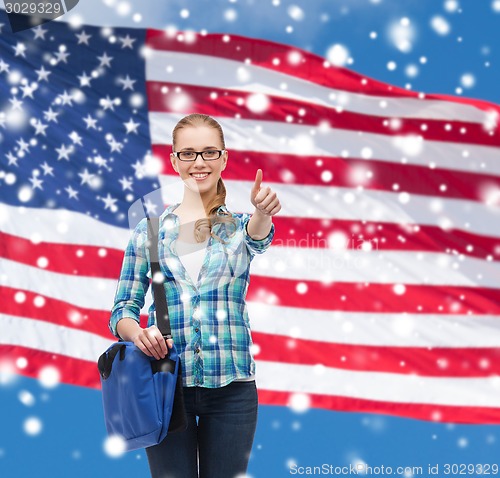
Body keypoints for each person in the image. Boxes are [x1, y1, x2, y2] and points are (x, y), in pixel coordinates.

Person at [108, 113, 281, 478]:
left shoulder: (238, 227)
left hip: (232, 389)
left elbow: (258, 237)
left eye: (208, 152)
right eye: (187, 154)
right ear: (174, 161)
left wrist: (262, 212)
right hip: (166, 388)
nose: (198, 163)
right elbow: (123, 309)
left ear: (223, 158)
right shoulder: (149, 232)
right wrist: (138, 334)